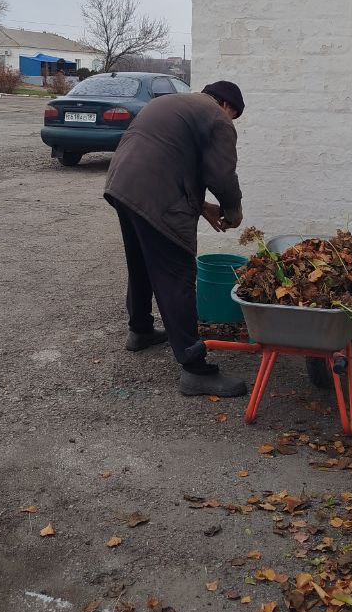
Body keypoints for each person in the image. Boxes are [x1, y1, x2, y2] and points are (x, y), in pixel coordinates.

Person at [104, 80, 247, 397]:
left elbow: (169, 159)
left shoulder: (169, 103)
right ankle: (195, 369)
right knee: (177, 275)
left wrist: (202, 207)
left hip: (122, 185)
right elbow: (221, 174)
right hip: (155, 194)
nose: (231, 120)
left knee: (141, 262)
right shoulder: (217, 116)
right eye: (233, 115)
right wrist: (232, 209)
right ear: (228, 106)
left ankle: (139, 330)